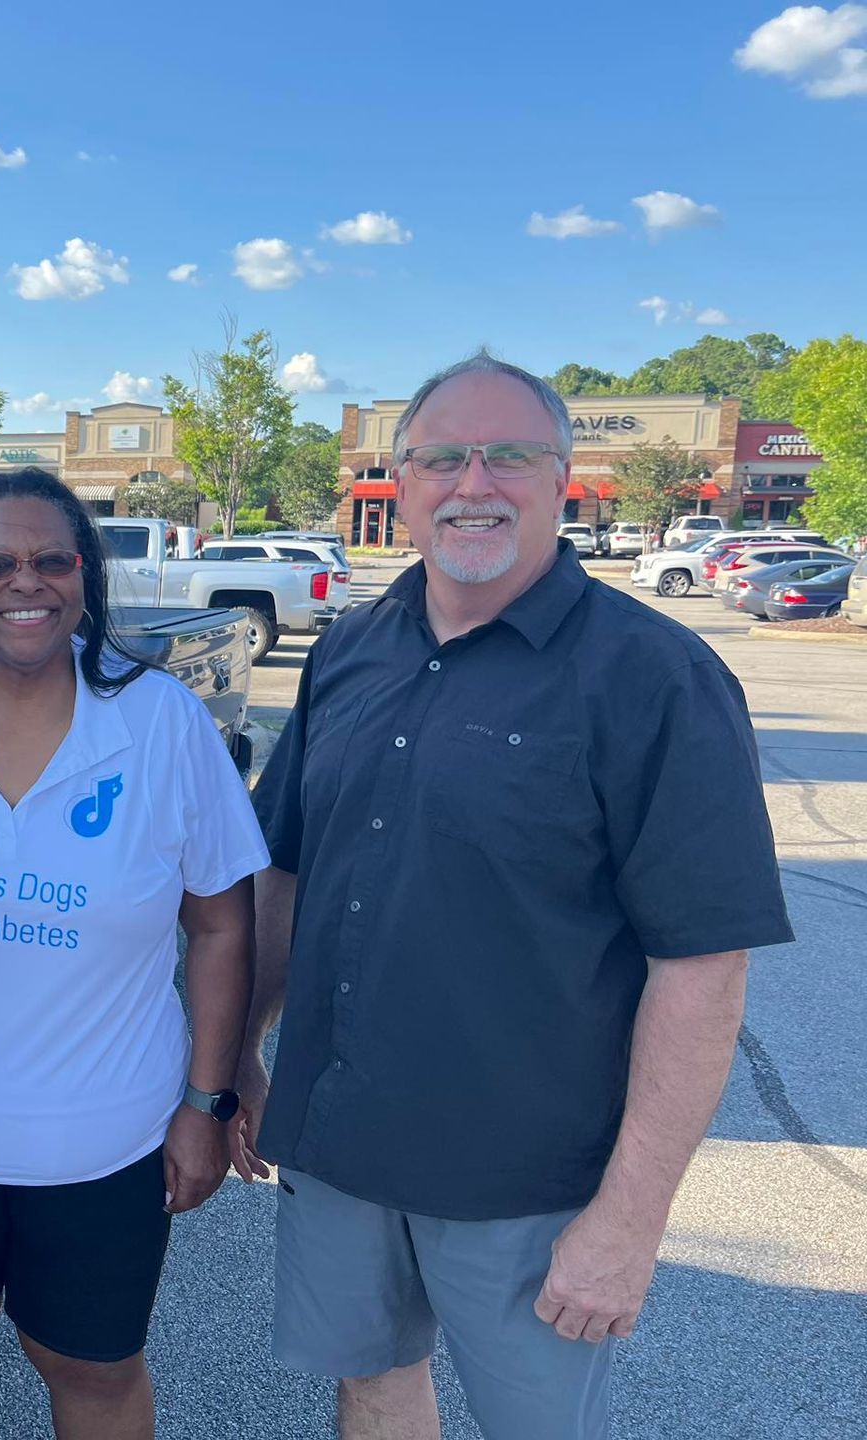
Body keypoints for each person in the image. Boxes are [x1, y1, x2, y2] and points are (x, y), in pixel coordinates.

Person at [237, 351, 794, 1440]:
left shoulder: (654, 678)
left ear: (561, 477)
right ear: (400, 480)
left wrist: (631, 1220)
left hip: (531, 1177)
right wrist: (240, 1058)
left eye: (511, 456)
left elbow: (703, 966)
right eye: (443, 456)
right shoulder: (350, 651)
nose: (474, 482)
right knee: (372, 1384)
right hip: (340, 1138)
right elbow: (287, 872)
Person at [0, 468, 268, 1440]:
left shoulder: (160, 722)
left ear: (86, 575)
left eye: (51, 560)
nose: (23, 583)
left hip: (106, 1145)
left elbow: (221, 925)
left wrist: (207, 1105)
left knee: (91, 1369)